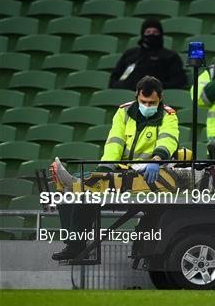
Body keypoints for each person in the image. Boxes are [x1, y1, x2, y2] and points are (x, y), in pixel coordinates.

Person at [51, 76, 179, 261]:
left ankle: (76, 184)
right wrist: (105, 167)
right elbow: (115, 142)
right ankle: (74, 244)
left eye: (152, 102)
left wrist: (157, 160)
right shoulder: (124, 112)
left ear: (161, 98)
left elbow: (168, 139)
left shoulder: (168, 115)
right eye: (143, 101)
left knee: (85, 187)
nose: (147, 105)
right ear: (137, 95)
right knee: (79, 192)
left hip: (148, 170)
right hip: (122, 168)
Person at [109, 18, 187, 90]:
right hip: (126, 96)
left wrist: (155, 88)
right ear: (143, 34)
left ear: (161, 34)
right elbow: (114, 78)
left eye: (155, 32)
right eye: (148, 32)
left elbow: (178, 81)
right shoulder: (130, 54)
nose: (151, 35)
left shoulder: (170, 56)